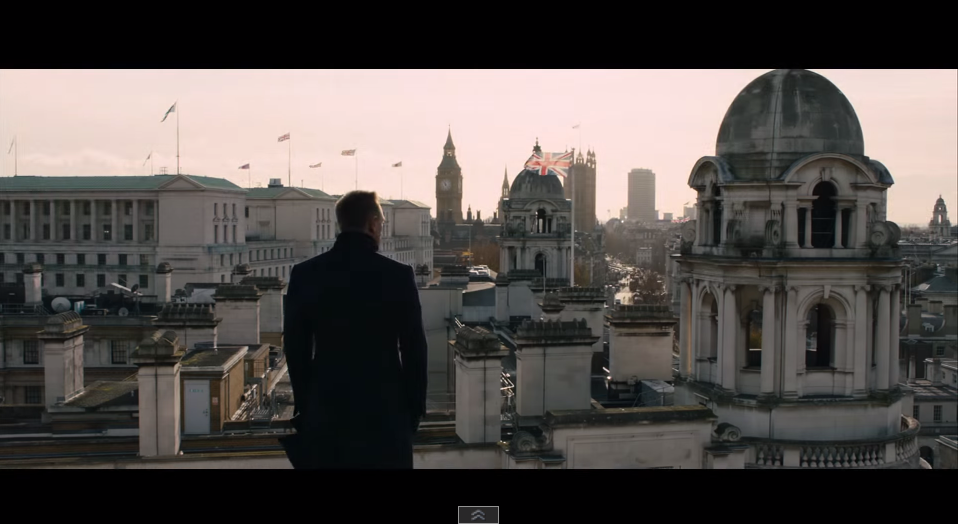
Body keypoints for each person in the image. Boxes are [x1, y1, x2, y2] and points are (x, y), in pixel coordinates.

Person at [282, 190, 428, 469]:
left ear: (341, 223)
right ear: (372, 224)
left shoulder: (305, 274)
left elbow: (295, 349)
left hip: (326, 415)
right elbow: (415, 350)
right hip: (385, 416)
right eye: (381, 223)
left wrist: (307, 408)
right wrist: (412, 413)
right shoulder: (398, 276)